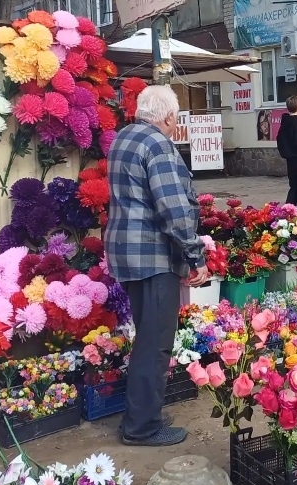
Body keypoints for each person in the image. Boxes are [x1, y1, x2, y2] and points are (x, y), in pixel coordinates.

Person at [105, 85, 209, 446]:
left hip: (128, 253)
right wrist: (196, 255)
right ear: (167, 117)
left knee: (147, 338)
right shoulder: (158, 144)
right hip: (153, 256)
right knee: (155, 344)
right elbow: (174, 208)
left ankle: (141, 416)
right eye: (175, 119)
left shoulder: (124, 137)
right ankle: (141, 428)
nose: (175, 125)